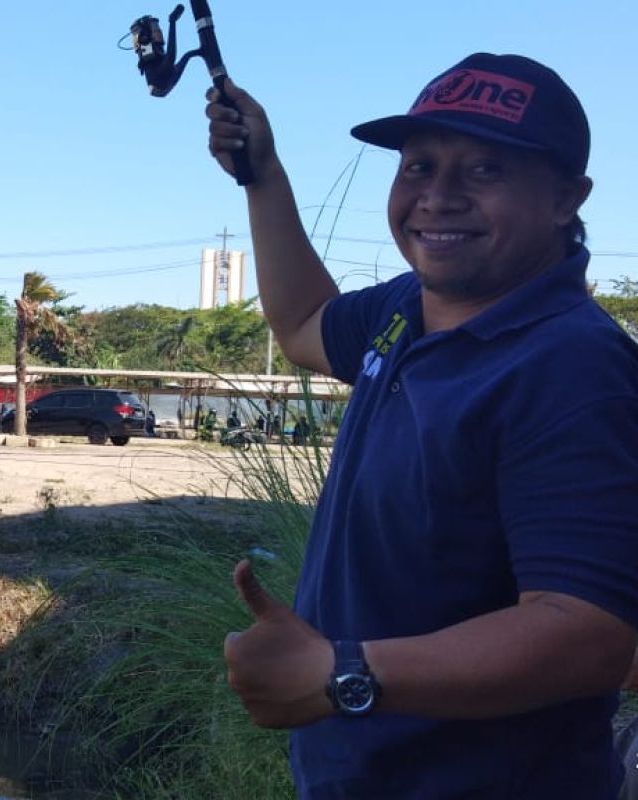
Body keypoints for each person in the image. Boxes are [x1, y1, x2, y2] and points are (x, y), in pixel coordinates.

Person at [207, 53, 638, 798]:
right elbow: (304, 321)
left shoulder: (573, 368)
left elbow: (588, 633)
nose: (437, 197)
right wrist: (263, 175)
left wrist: (343, 674)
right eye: (417, 167)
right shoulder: (404, 309)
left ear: (568, 197)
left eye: (484, 171)